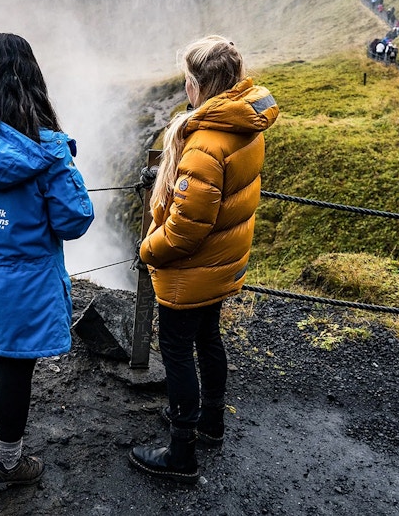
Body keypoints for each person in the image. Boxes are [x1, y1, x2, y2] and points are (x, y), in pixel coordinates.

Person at [128, 35, 279, 484]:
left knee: (175, 348)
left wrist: (146, 250)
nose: (185, 90)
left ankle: (181, 452)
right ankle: (210, 422)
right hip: (221, 263)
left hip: (191, 273)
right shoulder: (244, 124)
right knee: (208, 337)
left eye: (187, 81)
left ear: (199, 84)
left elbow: (184, 230)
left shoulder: (204, 145)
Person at [0, 33, 94, 491]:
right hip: (22, 285)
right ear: (32, 80)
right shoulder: (45, 150)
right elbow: (74, 220)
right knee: (14, 368)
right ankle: (5, 463)